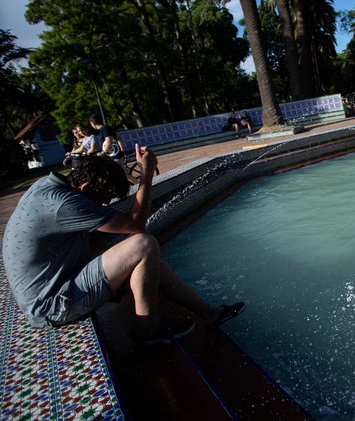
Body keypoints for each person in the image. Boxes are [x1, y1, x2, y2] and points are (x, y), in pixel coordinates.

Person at [2, 146, 245, 345]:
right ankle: (148, 329)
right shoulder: (65, 204)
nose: (105, 207)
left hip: (55, 283)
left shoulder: (49, 186)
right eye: (103, 201)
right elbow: (136, 224)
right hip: (52, 304)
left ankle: (211, 313)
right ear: (85, 188)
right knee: (143, 245)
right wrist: (146, 175)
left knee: (157, 268)